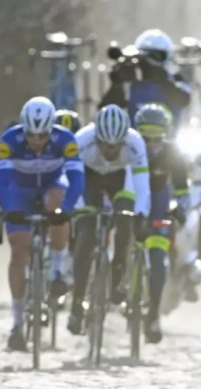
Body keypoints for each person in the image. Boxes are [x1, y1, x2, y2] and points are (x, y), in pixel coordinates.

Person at [0, 96, 84, 351]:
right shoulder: (10, 140)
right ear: (23, 128)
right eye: (31, 135)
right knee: (19, 250)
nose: (37, 141)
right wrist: (10, 210)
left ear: (51, 130)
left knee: (56, 204)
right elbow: (1, 182)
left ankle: (56, 271)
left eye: (43, 136)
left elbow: (76, 179)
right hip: (20, 191)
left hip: (52, 186)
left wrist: (66, 210)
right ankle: (18, 323)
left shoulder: (66, 139)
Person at [67, 105, 151, 335]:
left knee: (125, 227)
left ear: (124, 140)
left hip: (121, 180)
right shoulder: (81, 141)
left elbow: (142, 185)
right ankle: (76, 305)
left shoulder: (135, 144)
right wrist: (73, 209)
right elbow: (69, 180)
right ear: (97, 139)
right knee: (86, 236)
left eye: (116, 146)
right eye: (105, 145)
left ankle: (116, 280)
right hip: (88, 178)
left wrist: (141, 215)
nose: (111, 150)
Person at [134, 103, 190, 343]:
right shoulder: (130, 150)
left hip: (158, 205)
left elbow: (182, 190)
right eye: (146, 138)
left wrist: (179, 209)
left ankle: (153, 313)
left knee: (158, 261)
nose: (151, 145)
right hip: (132, 201)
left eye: (157, 139)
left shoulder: (172, 154)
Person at [99, 29, 191, 133]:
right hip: (136, 143)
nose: (148, 64)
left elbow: (184, 100)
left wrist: (161, 78)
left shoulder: (175, 80)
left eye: (156, 57)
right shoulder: (130, 84)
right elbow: (106, 112)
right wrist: (117, 84)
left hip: (169, 143)